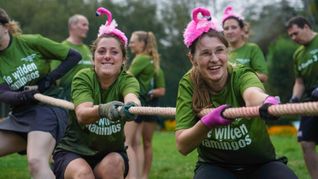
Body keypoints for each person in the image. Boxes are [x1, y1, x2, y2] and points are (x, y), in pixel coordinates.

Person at [175, 7, 298, 179]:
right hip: (215, 165)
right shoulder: (188, 83)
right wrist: (206, 124)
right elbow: (182, 145)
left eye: (219, 50)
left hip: (260, 163)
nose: (214, 59)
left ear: (227, 51)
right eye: (205, 53)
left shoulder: (241, 73)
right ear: (192, 58)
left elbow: (252, 95)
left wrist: (267, 102)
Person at [52, 7, 140, 179]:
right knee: (83, 174)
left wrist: (132, 107)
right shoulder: (83, 77)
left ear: (123, 60)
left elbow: (132, 97)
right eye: (101, 51)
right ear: (93, 58)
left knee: (114, 166)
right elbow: (83, 115)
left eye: (114, 52)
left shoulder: (127, 79)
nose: (107, 56)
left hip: (111, 152)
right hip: (73, 151)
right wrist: (104, 110)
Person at [0, 8, 81, 179]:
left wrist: (48, 80)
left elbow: (73, 56)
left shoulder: (31, 42)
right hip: (21, 114)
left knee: (36, 162)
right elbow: (3, 94)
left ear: (5, 26)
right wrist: (24, 96)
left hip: (49, 107)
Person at [128, 31, 163, 179]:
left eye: (133, 41)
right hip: (148, 105)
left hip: (138, 103)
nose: (130, 44)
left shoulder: (140, 59)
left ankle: (132, 175)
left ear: (142, 44)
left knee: (128, 142)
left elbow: (127, 76)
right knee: (140, 143)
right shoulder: (152, 61)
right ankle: (142, 176)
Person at [287, 16, 318, 179]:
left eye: (295, 33)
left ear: (306, 27)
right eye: (290, 36)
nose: (293, 38)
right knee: (306, 143)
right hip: (310, 99)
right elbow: (299, 82)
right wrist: (294, 99)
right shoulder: (298, 54)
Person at [51, 14, 92, 100]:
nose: (87, 28)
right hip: (67, 98)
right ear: (73, 25)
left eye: (87, 25)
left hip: (87, 96)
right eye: (84, 25)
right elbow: (52, 77)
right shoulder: (62, 48)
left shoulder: (87, 49)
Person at [222, 6, 268, 83]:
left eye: (234, 27)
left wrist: (240, 75)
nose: (230, 31)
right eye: (226, 28)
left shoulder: (252, 48)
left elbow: (263, 76)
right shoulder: (221, 52)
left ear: (242, 30)